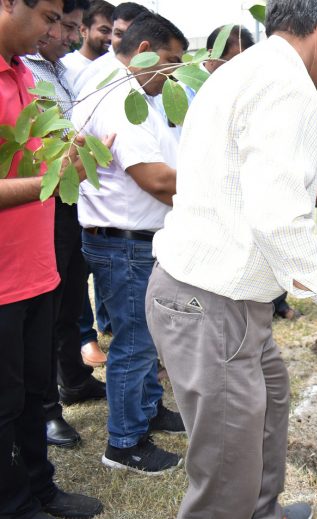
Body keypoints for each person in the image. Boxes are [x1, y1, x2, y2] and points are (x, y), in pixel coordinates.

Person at [145, 1, 317, 517]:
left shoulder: (241, 69)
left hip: (228, 296)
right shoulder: (289, 89)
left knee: (268, 404)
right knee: (226, 469)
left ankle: (261, 511)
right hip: (211, 299)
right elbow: (279, 219)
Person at [0, 0, 109, 516]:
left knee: (35, 392)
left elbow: (39, 155)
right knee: (4, 402)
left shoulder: (27, 74)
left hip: (37, 267)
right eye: (46, 15)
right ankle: (15, 504)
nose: (53, 30)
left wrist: (75, 151)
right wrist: (56, 176)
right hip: (2, 280)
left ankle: (42, 490)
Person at [72, 11, 188, 475]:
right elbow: (155, 179)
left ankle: (147, 410)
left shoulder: (133, 89)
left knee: (146, 338)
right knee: (135, 343)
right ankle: (124, 443)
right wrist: (218, 188)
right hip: (124, 243)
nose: (175, 73)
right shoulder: (120, 94)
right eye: (170, 61)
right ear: (143, 52)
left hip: (138, 240)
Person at [23, 0, 107, 449]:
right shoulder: (26, 71)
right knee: (48, 304)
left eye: (70, 26)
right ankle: (47, 410)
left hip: (72, 197)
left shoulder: (62, 71)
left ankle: (73, 379)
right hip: (42, 199)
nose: (70, 36)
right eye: (61, 25)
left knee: (74, 293)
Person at [61, 0, 113, 90]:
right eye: (104, 30)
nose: (111, 38)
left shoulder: (114, 69)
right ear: (83, 31)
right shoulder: (64, 66)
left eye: (115, 33)